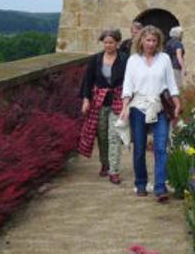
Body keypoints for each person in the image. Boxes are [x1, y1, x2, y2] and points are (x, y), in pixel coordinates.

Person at [120, 24, 180, 201]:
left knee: (161, 147)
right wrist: (124, 107)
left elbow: (171, 84)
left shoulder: (164, 59)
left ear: (158, 42)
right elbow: (128, 86)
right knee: (139, 148)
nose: (151, 44)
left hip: (159, 106)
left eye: (154, 40)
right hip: (138, 106)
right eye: (148, 40)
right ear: (141, 41)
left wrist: (177, 103)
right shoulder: (133, 61)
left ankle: (160, 187)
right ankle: (140, 183)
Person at [77, 29, 129, 183]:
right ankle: (105, 164)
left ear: (117, 43)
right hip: (99, 102)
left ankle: (114, 170)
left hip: (118, 101)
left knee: (114, 136)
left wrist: (128, 101)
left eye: (111, 42)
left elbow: (130, 80)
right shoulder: (96, 59)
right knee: (102, 136)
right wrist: (86, 100)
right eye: (105, 42)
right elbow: (88, 80)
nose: (108, 45)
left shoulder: (125, 59)